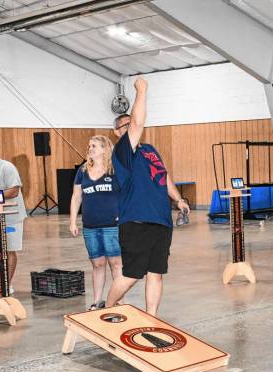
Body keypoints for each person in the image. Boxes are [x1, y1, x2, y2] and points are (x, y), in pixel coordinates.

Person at [106, 77, 189, 316]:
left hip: (161, 221)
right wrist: (141, 91)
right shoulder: (123, 152)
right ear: (116, 132)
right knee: (132, 275)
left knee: (156, 273)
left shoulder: (149, 150)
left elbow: (164, 177)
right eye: (126, 125)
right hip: (136, 222)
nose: (132, 127)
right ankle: (106, 309)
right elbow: (137, 125)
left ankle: (152, 318)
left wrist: (178, 199)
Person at [70, 135, 122, 310]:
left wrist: (123, 214)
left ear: (104, 149)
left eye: (94, 146)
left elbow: (127, 193)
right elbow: (76, 197)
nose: (90, 148)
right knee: (97, 264)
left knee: (115, 264)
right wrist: (72, 222)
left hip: (111, 226)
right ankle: (98, 300)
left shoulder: (115, 170)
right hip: (90, 226)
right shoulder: (82, 171)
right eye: (89, 145)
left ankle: (118, 300)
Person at [0, 147, 27, 292]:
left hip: (12, 217)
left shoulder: (6, 167)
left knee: (10, 250)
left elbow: (13, 191)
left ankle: (6, 285)